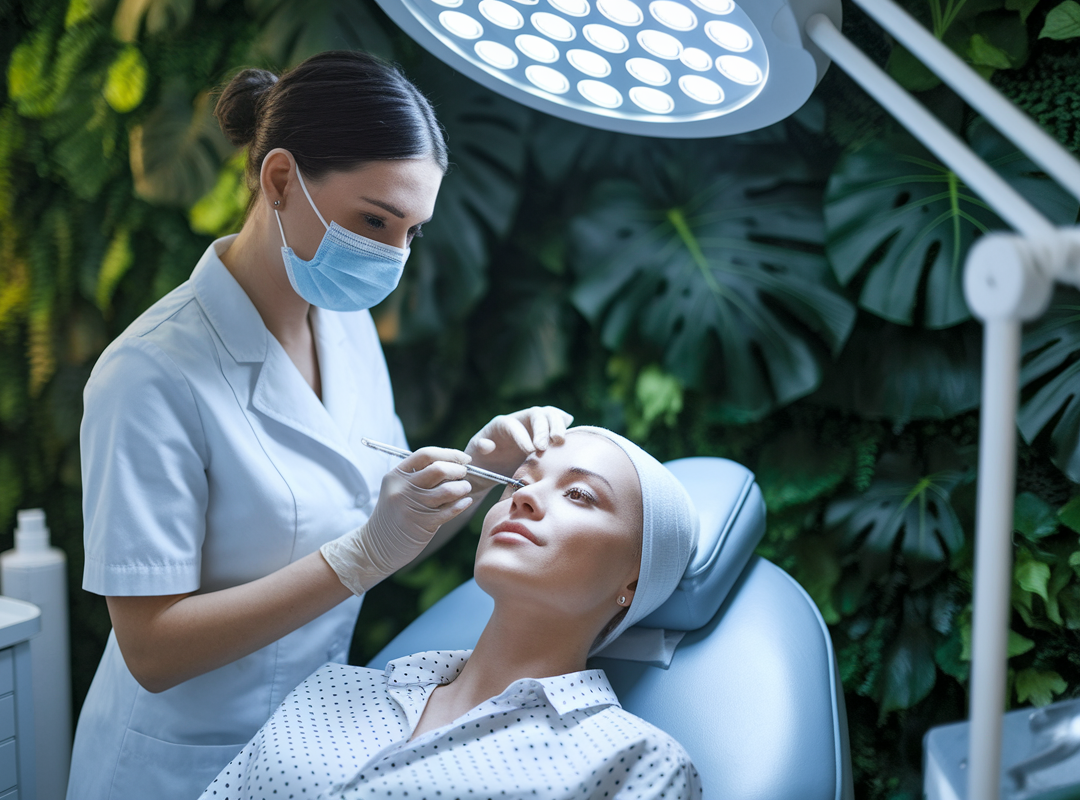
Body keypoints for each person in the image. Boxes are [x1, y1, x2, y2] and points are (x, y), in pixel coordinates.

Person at [65, 50, 573, 800]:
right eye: (375, 220)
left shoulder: (345, 326)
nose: (392, 256)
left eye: (411, 232)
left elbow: (384, 530)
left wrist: (470, 474)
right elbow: (151, 649)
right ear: (278, 180)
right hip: (176, 765)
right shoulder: (150, 372)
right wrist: (360, 557)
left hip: (303, 749)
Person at [199, 427, 703, 800]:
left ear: (632, 583)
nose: (524, 496)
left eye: (578, 494)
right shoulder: (332, 689)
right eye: (518, 482)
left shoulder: (635, 762)